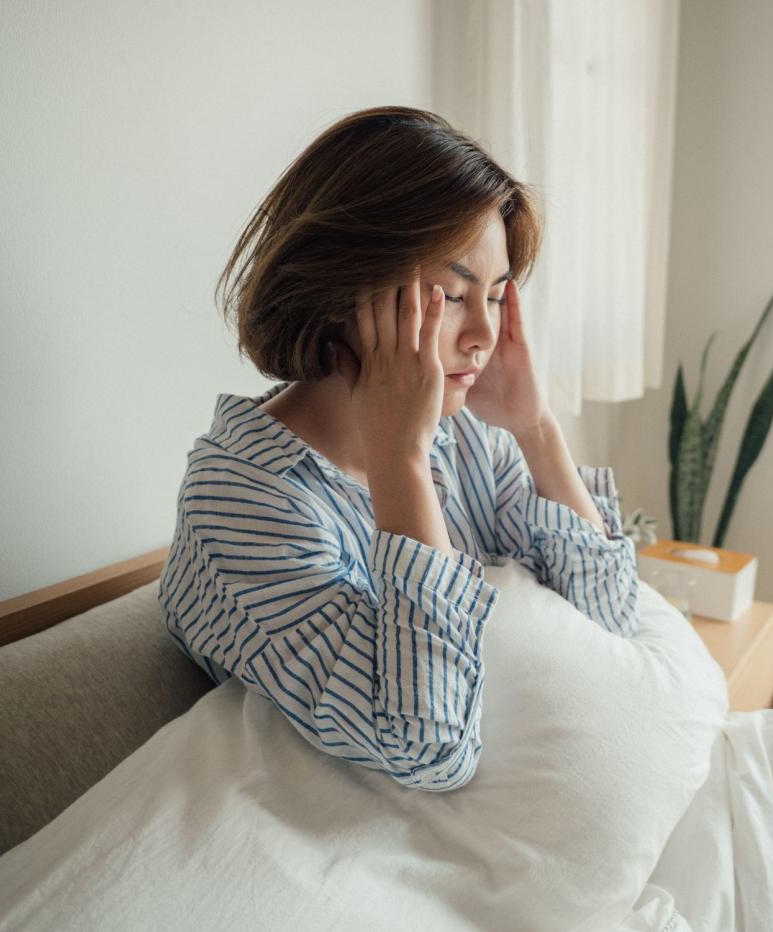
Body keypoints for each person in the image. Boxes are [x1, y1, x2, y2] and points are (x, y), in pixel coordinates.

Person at [157, 106, 641, 792]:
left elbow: (613, 622)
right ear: (340, 285)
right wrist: (400, 463)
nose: (482, 333)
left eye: (498, 297)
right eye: (451, 295)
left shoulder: (462, 433)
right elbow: (430, 752)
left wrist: (537, 430)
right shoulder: (240, 499)